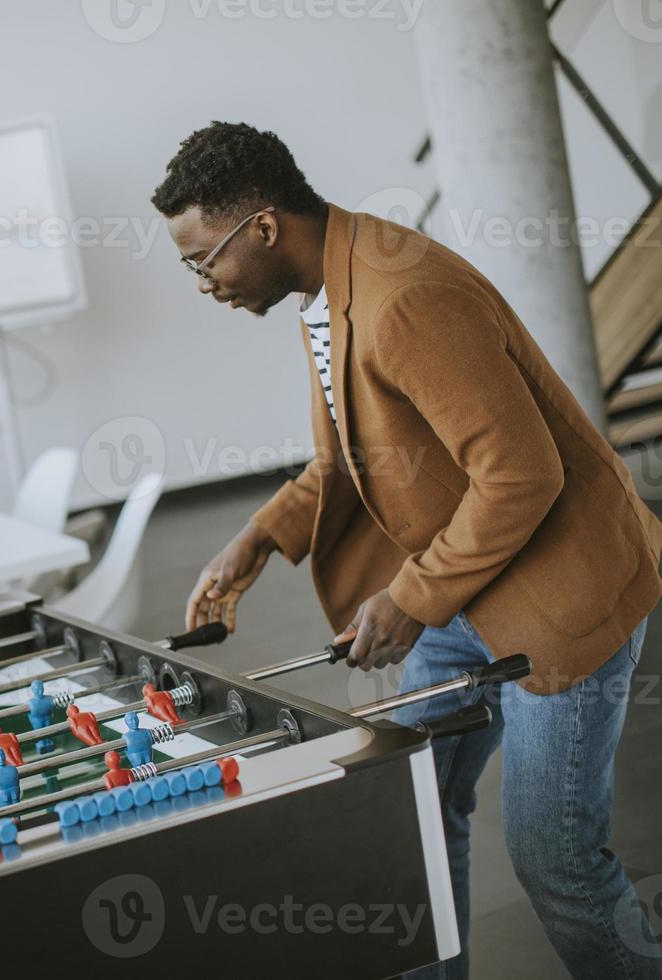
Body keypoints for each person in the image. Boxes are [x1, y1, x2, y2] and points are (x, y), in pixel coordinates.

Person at [156, 121, 662, 978]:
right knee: (412, 804)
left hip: (560, 593)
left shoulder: (404, 298)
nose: (202, 283)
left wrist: (413, 598)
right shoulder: (324, 288)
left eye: (203, 260)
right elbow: (355, 455)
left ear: (265, 229)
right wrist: (258, 537)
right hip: (466, 589)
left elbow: (520, 478)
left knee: (556, 863)